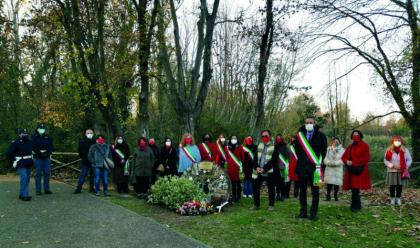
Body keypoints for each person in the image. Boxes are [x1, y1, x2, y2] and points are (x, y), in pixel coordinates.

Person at [294, 116, 327, 221]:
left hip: (315, 169)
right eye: (307, 122)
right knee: (302, 191)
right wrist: (303, 159)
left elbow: (324, 152)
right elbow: (297, 151)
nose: (308, 124)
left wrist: (319, 165)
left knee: (315, 192)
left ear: (314, 123)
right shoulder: (300, 136)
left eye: (310, 122)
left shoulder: (321, 136)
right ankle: (303, 212)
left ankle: (313, 213)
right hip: (302, 168)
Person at [341, 130, 371, 212]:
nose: (355, 136)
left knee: (356, 189)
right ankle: (357, 205)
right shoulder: (350, 147)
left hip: (360, 170)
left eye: (357, 135)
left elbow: (366, 158)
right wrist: (347, 161)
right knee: (354, 189)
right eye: (354, 135)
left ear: (360, 135)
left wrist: (354, 162)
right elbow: (343, 157)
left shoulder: (365, 146)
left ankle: (354, 206)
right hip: (352, 170)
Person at [250, 130, 279, 211]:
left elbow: (274, 160)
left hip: (269, 171)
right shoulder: (258, 145)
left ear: (270, 136)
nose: (264, 138)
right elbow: (255, 158)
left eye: (266, 136)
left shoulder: (275, 146)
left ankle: (271, 205)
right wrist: (256, 167)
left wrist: (264, 169)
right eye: (263, 136)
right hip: (258, 171)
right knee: (255, 188)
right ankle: (256, 205)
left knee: (271, 189)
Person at [6, 129, 34, 201]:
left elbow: (34, 150)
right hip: (20, 162)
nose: (24, 135)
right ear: (19, 134)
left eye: (25, 133)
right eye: (23, 134)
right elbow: (9, 153)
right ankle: (25, 195)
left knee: (27, 179)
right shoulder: (16, 143)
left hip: (29, 162)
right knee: (24, 178)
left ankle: (21, 194)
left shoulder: (30, 142)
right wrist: (12, 161)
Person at [384, 135, 412, 206]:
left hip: (401, 171)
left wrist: (405, 166)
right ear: (393, 141)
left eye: (399, 140)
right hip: (392, 170)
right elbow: (385, 160)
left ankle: (398, 198)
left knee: (399, 185)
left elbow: (409, 159)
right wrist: (393, 166)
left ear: (401, 141)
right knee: (392, 186)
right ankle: (392, 199)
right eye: (396, 140)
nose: (397, 142)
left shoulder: (405, 150)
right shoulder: (389, 150)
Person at [32, 124, 54, 195]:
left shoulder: (48, 137)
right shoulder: (34, 137)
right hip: (38, 158)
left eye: (43, 128)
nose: (42, 130)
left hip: (46, 158)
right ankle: (38, 190)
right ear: (37, 129)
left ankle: (47, 189)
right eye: (40, 128)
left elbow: (51, 147)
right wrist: (39, 153)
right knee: (38, 174)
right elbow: (33, 147)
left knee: (47, 173)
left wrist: (47, 153)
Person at [74, 129, 96, 194]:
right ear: (85, 134)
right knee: (83, 175)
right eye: (88, 133)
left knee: (93, 176)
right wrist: (83, 157)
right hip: (85, 161)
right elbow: (80, 152)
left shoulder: (95, 141)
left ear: (93, 134)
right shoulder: (82, 141)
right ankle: (78, 188)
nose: (90, 134)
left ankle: (91, 188)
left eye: (91, 133)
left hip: (93, 161)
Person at [323, 137, 345, 201]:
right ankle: (328, 196)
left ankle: (336, 196)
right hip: (329, 168)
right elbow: (325, 158)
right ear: (332, 142)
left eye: (337, 141)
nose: (335, 142)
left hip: (337, 168)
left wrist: (335, 163)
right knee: (329, 183)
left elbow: (343, 160)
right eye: (334, 141)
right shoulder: (328, 149)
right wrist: (329, 163)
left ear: (339, 142)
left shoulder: (342, 150)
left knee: (336, 184)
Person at [225, 135, 245, 203]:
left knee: (238, 183)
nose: (234, 139)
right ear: (230, 139)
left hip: (237, 167)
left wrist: (241, 164)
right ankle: (234, 197)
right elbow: (226, 156)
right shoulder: (227, 147)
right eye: (232, 138)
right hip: (230, 168)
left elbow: (242, 157)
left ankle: (238, 196)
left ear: (237, 139)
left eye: (235, 138)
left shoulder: (240, 147)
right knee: (232, 183)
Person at [274, 133, 291, 201]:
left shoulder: (286, 146)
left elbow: (289, 155)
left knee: (282, 182)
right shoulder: (274, 146)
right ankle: (277, 195)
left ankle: (282, 195)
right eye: (277, 138)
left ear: (282, 138)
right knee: (277, 182)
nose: (278, 139)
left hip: (283, 167)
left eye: (279, 138)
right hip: (276, 166)